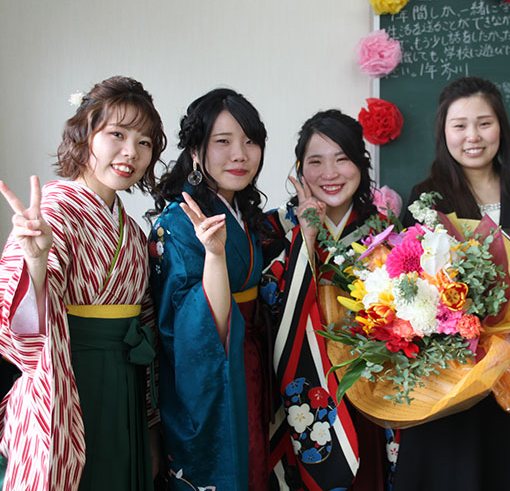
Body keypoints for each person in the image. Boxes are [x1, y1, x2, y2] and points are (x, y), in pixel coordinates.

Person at [389, 76, 510, 491]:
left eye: (484, 123)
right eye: (460, 125)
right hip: (456, 369)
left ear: (500, 127)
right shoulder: (427, 197)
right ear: (444, 133)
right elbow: (413, 285)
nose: (473, 136)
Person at [0, 76, 166, 490]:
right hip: (70, 382)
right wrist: (35, 262)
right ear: (85, 134)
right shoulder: (54, 210)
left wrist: (149, 417)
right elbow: (20, 328)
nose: (131, 151)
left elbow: (144, 317)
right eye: (117, 134)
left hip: (125, 382)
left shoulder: (130, 227)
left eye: (145, 142)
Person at [148, 89, 270, 491]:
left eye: (250, 141)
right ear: (196, 152)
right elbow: (186, 324)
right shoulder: (179, 223)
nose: (240, 154)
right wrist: (214, 259)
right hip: (212, 369)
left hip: (250, 361)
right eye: (223, 141)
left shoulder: (244, 214)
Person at [263, 109, 387, 491]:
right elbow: (271, 305)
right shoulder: (272, 228)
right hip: (300, 389)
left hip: (367, 391)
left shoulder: (383, 232)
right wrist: (306, 236)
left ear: (361, 165)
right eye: (316, 161)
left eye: (342, 159)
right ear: (300, 169)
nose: (330, 173)